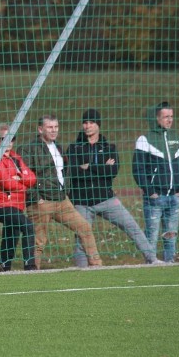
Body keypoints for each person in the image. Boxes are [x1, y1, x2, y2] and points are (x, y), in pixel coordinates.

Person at [67, 109, 159, 266]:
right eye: (85, 122)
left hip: (106, 198)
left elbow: (113, 171)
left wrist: (88, 166)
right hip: (82, 202)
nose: (87, 126)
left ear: (98, 125)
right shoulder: (74, 148)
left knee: (132, 226)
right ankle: (81, 271)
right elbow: (74, 173)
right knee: (81, 238)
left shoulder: (109, 147)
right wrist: (101, 167)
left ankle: (153, 259)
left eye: (91, 122)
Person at [20, 114, 102, 269]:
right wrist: (37, 198)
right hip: (41, 202)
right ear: (40, 129)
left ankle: (97, 265)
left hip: (61, 200)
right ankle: (32, 272)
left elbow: (63, 173)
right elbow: (25, 175)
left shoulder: (58, 147)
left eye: (56, 127)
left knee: (84, 227)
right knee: (39, 241)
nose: (54, 130)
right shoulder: (28, 149)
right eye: (50, 127)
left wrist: (66, 192)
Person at [133, 101, 179, 263]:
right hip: (155, 198)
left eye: (171, 116)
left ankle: (169, 264)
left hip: (174, 197)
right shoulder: (145, 139)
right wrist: (151, 192)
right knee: (151, 236)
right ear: (157, 118)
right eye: (166, 117)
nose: (169, 120)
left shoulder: (177, 139)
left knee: (171, 236)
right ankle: (150, 265)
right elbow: (138, 169)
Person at [0, 123, 37, 271]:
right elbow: (6, 182)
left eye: (12, 138)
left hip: (17, 205)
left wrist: (19, 178)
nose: (9, 143)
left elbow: (32, 178)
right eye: (4, 139)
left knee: (12, 234)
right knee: (28, 226)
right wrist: (23, 183)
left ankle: (3, 266)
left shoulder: (16, 157)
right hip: (2, 205)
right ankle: (30, 265)